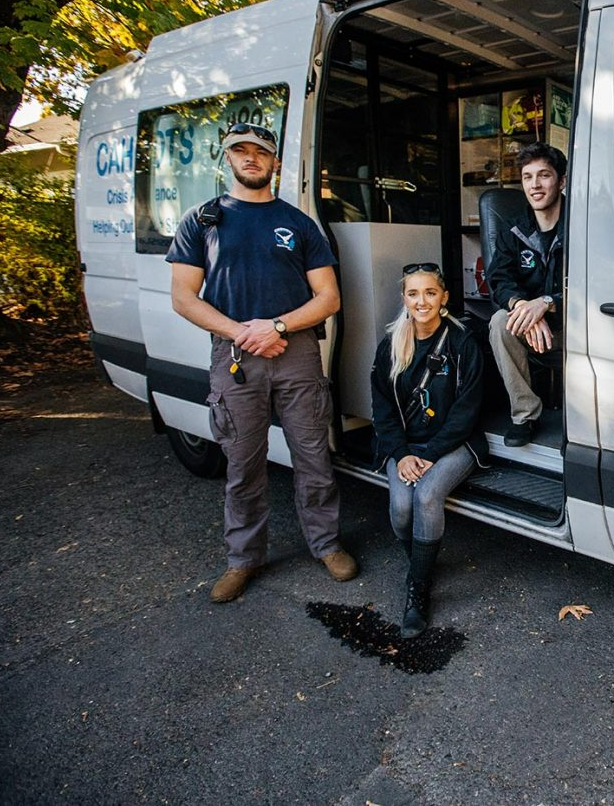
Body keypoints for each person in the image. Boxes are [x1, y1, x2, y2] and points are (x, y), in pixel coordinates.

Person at [167, 123, 356, 603]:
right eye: (241, 151)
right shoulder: (202, 220)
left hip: (295, 355)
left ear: (275, 162)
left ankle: (327, 544)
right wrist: (243, 333)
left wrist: (275, 328)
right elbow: (184, 298)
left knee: (314, 458)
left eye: (260, 152)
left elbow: (328, 298)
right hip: (234, 357)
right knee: (242, 464)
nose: (251, 159)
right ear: (227, 159)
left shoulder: (298, 223)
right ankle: (243, 559)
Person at [371, 263, 486, 637]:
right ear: (404, 298)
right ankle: (420, 565)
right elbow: (382, 409)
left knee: (425, 496)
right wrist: (402, 454)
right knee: (401, 508)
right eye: (414, 294)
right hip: (406, 446)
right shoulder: (391, 344)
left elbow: (467, 411)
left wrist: (430, 454)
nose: (423, 301)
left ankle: (417, 592)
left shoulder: (463, 341)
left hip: (454, 444)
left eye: (431, 293)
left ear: (444, 298)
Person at [487, 142, 566, 447]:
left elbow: (592, 286)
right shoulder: (514, 228)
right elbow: (499, 278)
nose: (535, 185)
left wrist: (547, 304)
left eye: (544, 175)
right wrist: (522, 308)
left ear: (560, 181)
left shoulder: (581, 225)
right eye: (527, 177)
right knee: (499, 322)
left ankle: (581, 425)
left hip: (576, 327)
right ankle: (525, 415)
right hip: (533, 328)